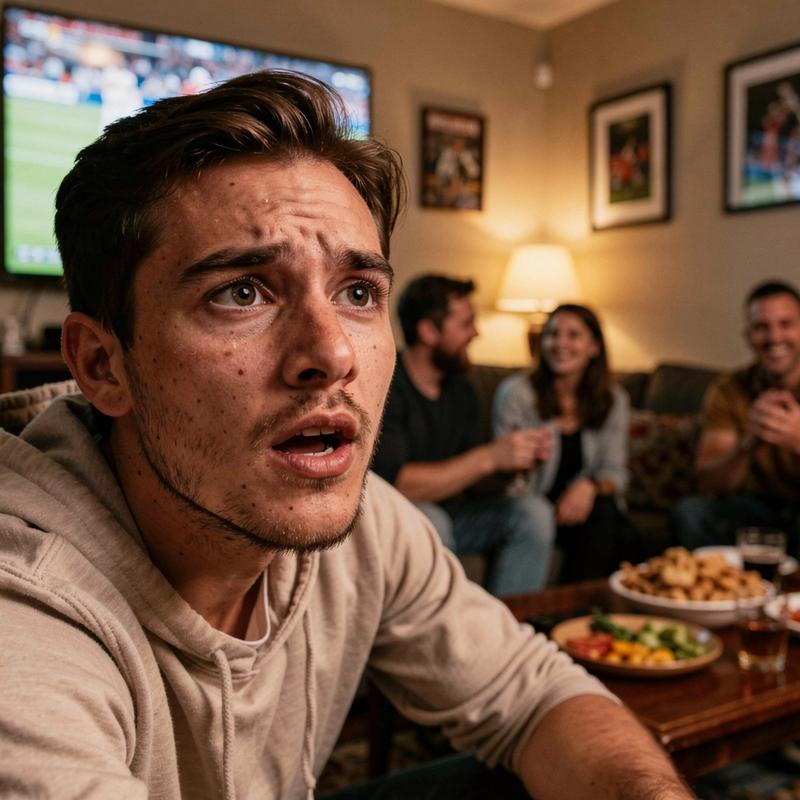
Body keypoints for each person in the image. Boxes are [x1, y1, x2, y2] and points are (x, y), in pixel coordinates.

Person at [0, 70, 694, 800]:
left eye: (358, 293)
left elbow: (534, 693)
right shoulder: (27, 614)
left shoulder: (366, 525)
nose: (332, 354)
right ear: (103, 365)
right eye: (242, 292)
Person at [371, 274, 555, 595]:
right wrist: (489, 456)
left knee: (532, 511)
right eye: (466, 323)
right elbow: (398, 484)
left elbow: (474, 476)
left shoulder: (462, 389)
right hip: (400, 515)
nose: (476, 333)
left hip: (459, 513)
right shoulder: (386, 385)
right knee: (432, 521)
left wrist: (510, 465)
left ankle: (507, 633)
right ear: (428, 331)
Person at [493, 304, 637, 582]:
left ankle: (580, 616)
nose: (560, 343)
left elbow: (616, 473)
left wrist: (589, 486)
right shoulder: (516, 394)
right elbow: (506, 477)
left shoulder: (613, 398)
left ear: (594, 347)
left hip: (586, 511)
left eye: (573, 335)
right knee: (613, 530)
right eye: (552, 334)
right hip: (531, 506)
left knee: (610, 519)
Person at [672, 280, 800, 554]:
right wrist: (747, 443)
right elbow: (709, 484)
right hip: (756, 508)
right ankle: (722, 594)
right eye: (761, 327)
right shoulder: (730, 389)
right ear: (748, 336)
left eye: (786, 324)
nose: (774, 338)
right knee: (691, 512)